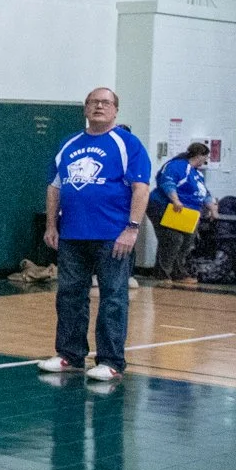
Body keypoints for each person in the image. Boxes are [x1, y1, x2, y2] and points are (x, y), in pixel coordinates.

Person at [38, 87, 150, 382]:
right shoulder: (69, 144)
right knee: (69, 296)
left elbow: (141, 188)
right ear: (85, 108)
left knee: (113, 298)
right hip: (73, 236)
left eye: (105, 102)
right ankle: (70, 354)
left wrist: (132, 228)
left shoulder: (128, 144)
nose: (99, 106)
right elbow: (54, 187)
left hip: (113, 237)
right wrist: (51, 225)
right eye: (93, 102)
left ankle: (111, 361)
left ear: (115, 110)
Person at [153, 142, 217, 286]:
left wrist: (212, 208)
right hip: (165, 206)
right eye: (205, 157)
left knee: (188, 240)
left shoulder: (197, 174)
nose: (205, 161)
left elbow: (204, 193)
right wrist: (175, 199)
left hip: (187, 212)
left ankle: (178, 272)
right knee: (173, 239)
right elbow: (168, 183)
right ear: (199, 156)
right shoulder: (177, 166)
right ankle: (162, 273)